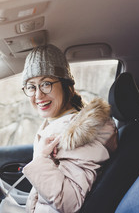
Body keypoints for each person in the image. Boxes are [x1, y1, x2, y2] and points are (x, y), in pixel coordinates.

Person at [21, 44, 118, 213]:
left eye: (46, 84)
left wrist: (41, 159)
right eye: (31, 86)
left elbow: (69, 202)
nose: (38, 95)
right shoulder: (57, 124)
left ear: (67, 87)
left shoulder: (78, 135)